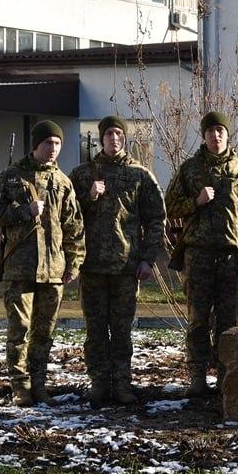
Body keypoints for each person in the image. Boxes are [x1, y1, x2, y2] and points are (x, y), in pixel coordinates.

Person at [0, 119, 85, 407]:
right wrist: (23, 210)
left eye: (57, 144)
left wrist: (73, 263)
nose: (52, 149)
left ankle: (39, 384)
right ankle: (20, 387)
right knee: (19, 330)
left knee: (45, 332)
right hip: (20, 268)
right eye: (47, 143)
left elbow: (74, 227)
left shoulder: (63, 182)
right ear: (35, 146)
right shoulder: (12, 177)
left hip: (53, 271)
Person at [163, 111, 238, 396]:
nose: (215, 136)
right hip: (198, 255)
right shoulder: (190, 169)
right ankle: (196, 376)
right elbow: (170, 206)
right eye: (210, 131)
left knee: (228, 321)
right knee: (198, 318)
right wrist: (196, 201)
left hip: (231, 256)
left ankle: (224, 378)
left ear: (227, 135)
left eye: (220, 131)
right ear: (204, 135)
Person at [69, 114, 165, 407]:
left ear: (125, 138)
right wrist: (88, 196)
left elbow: (155, 219)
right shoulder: (83, 175)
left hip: (126, 267)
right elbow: (68, 219)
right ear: (101, 138)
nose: (114, 139)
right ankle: (99, 384)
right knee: (96, 330)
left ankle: (123, 385)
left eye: (119, 134)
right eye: (109, 134)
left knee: (122, 331)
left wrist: (148, 259)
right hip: (92, 266)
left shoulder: (140, 175)